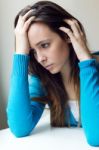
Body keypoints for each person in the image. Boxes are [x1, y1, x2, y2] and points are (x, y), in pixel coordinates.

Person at [6, 0, 99, 146]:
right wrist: (20, 54)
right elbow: (19, 128)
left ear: (68, 35)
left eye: (44, 45)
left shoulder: (94, 70)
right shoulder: (42, 79)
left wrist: (86, 62)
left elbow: (96, 136)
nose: (40, 58)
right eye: (32, 51)